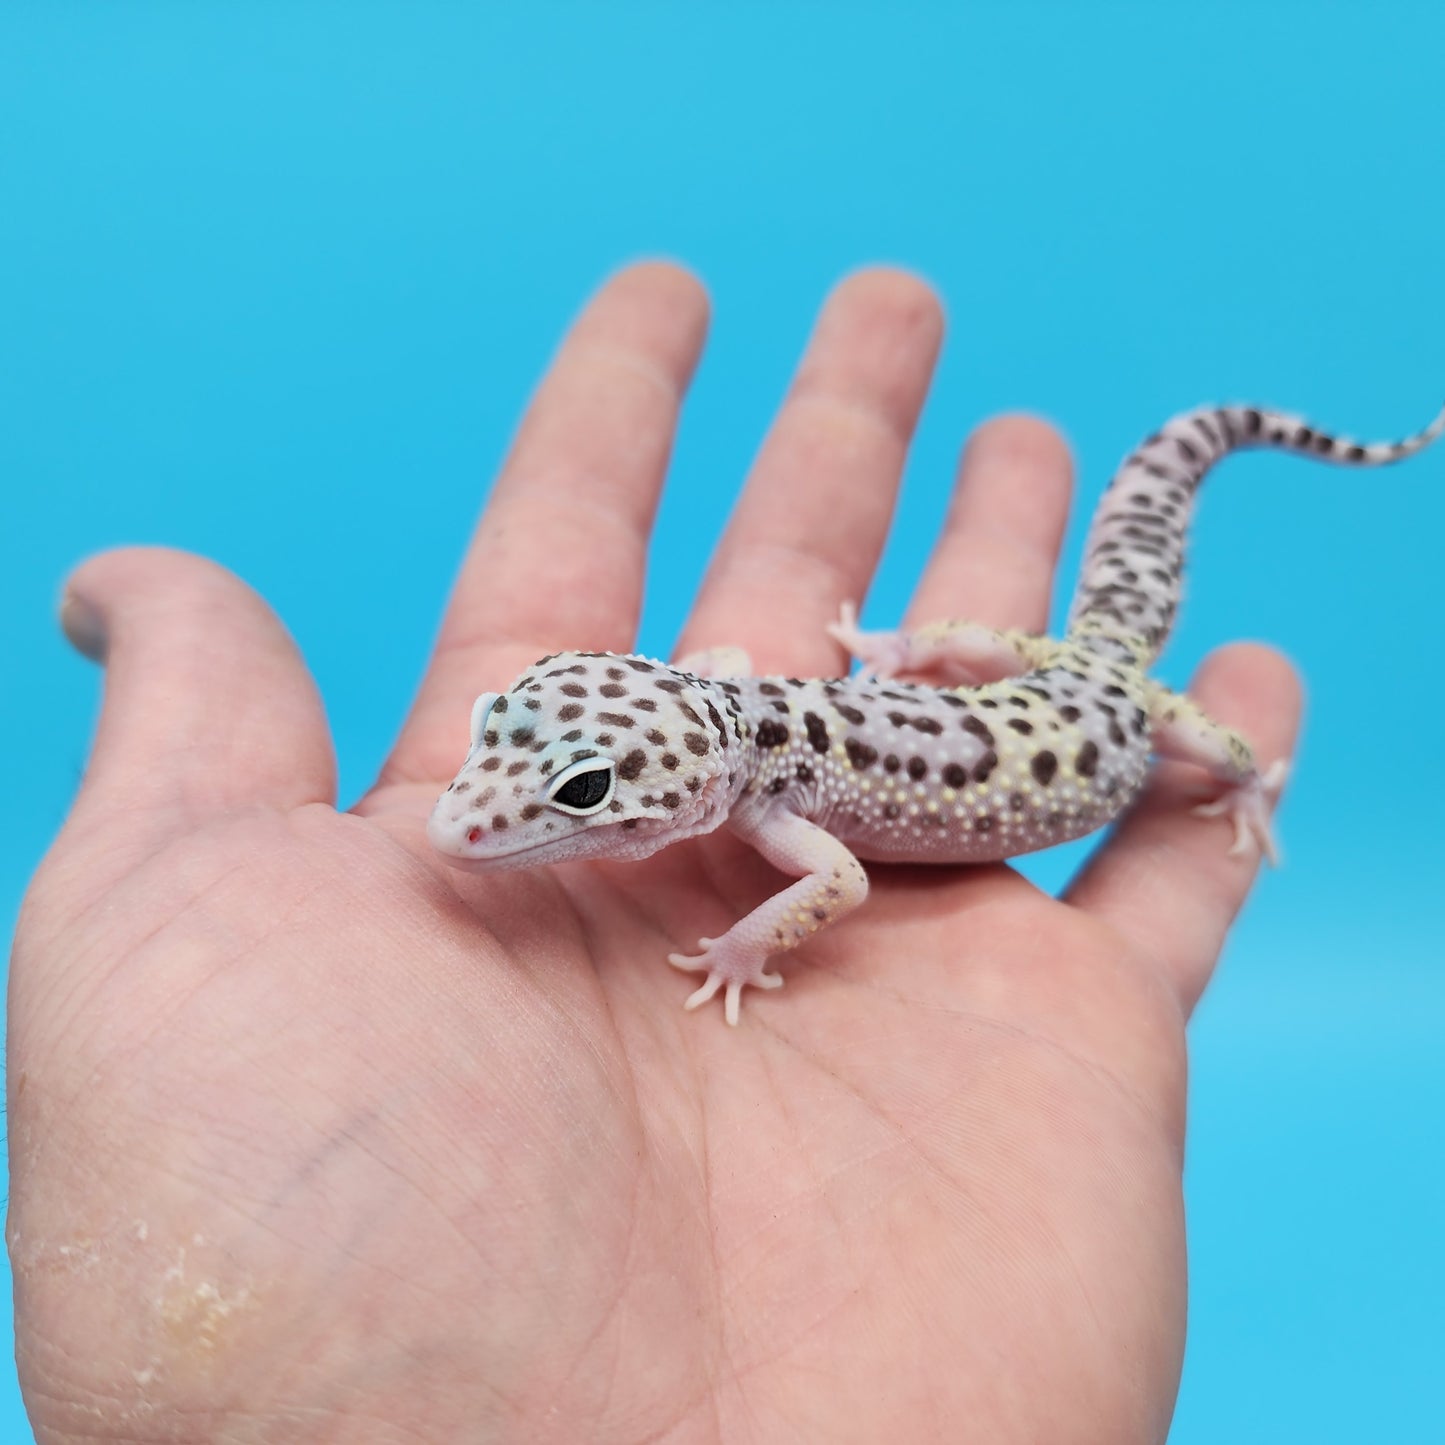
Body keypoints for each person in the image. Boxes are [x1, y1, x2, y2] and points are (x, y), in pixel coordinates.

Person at [8, 263, 1297, 1444]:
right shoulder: (726, 729)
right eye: (512, 752)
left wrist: (746, 944)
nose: (473, 819)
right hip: (1013, 687)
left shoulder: (776, 802)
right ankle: (1088, 549)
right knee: (1041, 648)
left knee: (1223, 751)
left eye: (571, 794)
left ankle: (1250, 748)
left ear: (696, 782)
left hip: (1098, 714)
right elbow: (718, 702)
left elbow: (837, 879)